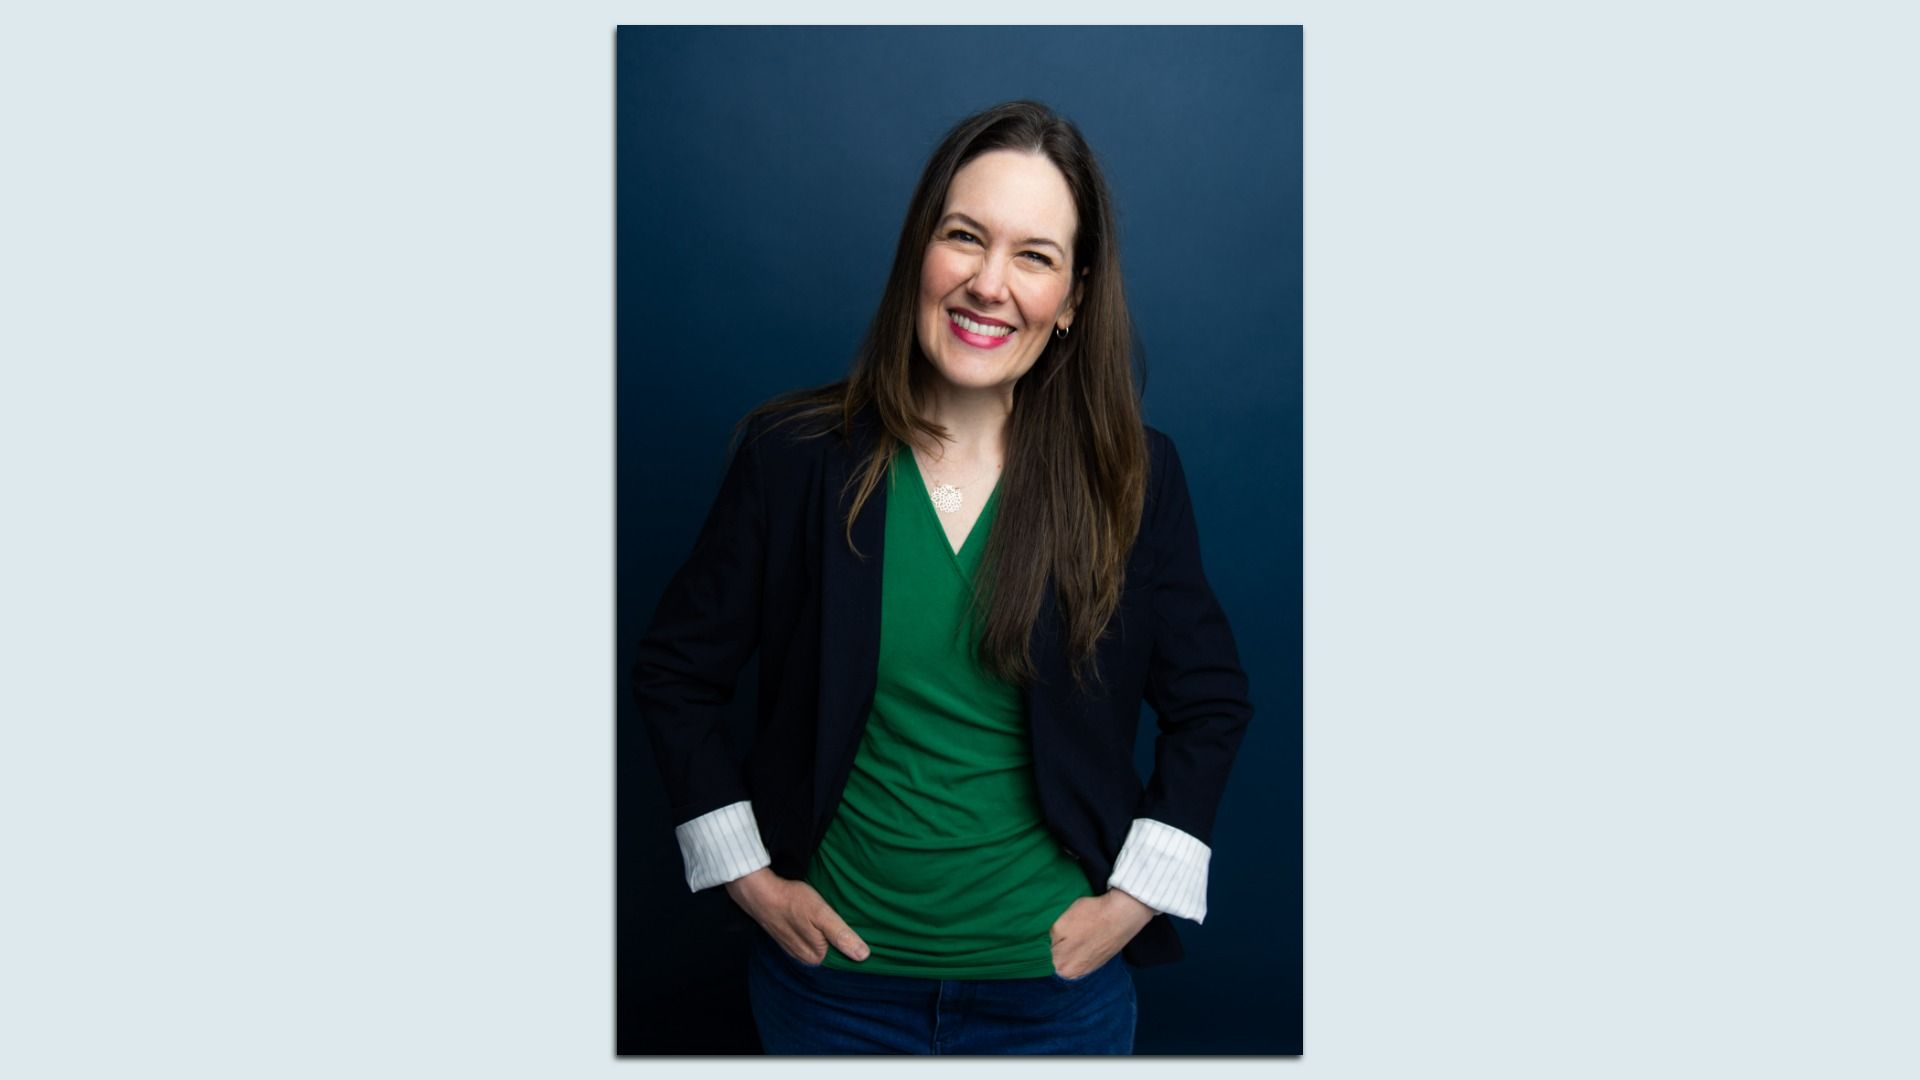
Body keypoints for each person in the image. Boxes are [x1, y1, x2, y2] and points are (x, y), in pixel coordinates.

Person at [631, 99, 1252, 1055]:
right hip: (828, 1000)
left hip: (1056, 1004)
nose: (989, 283)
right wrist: (746, 878)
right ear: (921, 248)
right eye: (965, 237)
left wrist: (1135, 900)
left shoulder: (1131, 473)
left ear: (1074, 297)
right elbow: (676, 673)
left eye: (1035, 256)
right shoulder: (794, 457)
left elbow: (1210, 700)